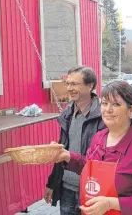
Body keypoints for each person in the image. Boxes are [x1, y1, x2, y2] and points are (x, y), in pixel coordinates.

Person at [53, 81, 132, 215]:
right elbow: (91, 169)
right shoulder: (99, 137)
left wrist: (111, 204)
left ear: (131, 110)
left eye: (116, 104)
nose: (108, 109)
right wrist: (67, 156)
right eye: (105, 103)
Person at [44, 66, 106, 215]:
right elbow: (62, 151)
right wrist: (52, 183)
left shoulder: (104, 115)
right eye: (68, 83)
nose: (69, 88)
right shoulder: (68, 113)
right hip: (66, 189)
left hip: (92, 190)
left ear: (90, 86)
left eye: (75, 84)